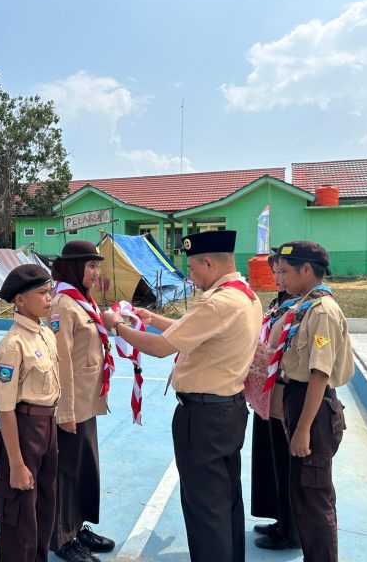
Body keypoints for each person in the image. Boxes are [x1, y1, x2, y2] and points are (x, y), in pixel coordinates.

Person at [102, 230, 261, 562]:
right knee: (225, 497)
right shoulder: (244, 294)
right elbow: (197, 331)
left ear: (208, 262)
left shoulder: (218, 302)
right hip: (227, 410)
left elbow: (162, 349)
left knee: (205, 505)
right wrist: (152, 319)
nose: (190, 276)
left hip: (204, 416)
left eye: (192, 269)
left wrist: (118, 326)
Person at [272, 240, 353, 562]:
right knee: (304, 495)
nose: (282, 278)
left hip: (314, 410)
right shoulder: (303, 305)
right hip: (300, 400)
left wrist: (304, 429)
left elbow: (320, 374)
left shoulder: (322, 312)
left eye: (287, 271)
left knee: (314, 498)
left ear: (307, 270)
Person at [0, 264, 60, 562]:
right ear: (20, 300)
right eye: (42, 293)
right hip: (24, 428)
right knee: (19, 513)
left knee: (45, 506)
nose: (49, 298)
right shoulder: (13, 345)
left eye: (50, 292)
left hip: (48, 426)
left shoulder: (44, 334)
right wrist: (16, 464)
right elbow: (5, 409)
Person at [49, 240, 114, 562]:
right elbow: (60, 360)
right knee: (66, 471)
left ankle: (77, 526)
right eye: (91, 266)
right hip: (71, 405)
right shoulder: (62, 304)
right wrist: (65, 411)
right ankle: (62, 537)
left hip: (87, 402)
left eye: (96, 266)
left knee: (85, 467)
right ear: (74, 267)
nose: (95, 272)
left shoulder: (81, 301)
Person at [250, 251, 300, 550]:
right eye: (276, 272)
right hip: (269, 393)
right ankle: (280, 518)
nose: (278, 278)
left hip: (285, 394)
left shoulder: (302, 307)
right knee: (271, 460)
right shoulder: (280, 302)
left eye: (283, 272)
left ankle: (292, 530)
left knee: (287, 464)